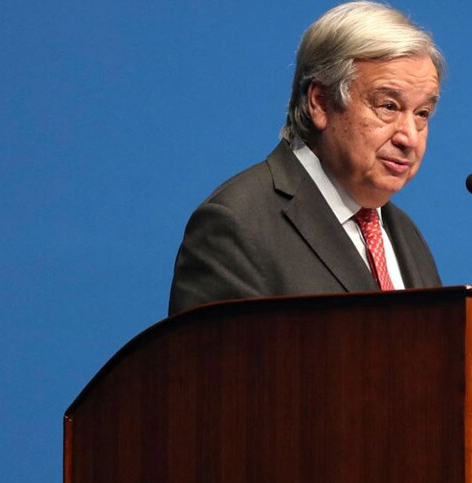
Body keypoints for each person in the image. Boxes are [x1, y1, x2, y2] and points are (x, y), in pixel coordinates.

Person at [168, 2, 445, 316]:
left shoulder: (405, 234)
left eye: (422, 114)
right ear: (321, 103)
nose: (409, 138)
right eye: (388, 106)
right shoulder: (237, 225)